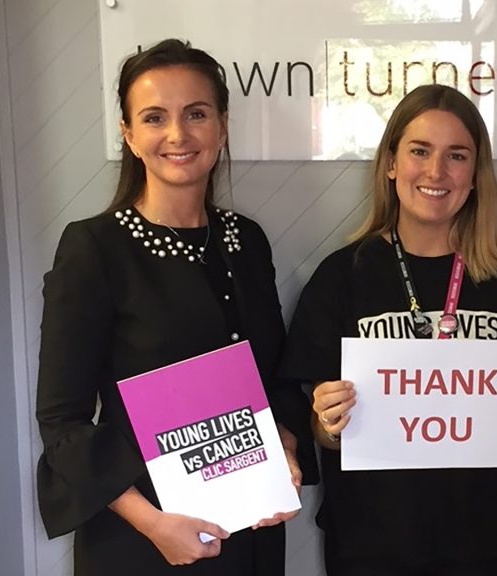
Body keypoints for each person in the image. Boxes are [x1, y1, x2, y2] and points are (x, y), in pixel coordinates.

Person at [35, 39, 315, 576]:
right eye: (154, 117)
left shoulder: (246, 240)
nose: (178, 134)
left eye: (196, 114)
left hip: (250, 528)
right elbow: (62, 421)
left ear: (222, 126)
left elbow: (272, 381)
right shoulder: (95, 247)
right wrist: (153, 524)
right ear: (129, 134)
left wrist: (286, 451)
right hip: (142, 537)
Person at [278, 83, 497, 576]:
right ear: (391, 163)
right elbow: (323, 433)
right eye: (419, 151)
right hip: (370, 538)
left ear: (475, 175)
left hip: (481, 537)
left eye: (456, 155)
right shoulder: (343, 275)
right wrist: (328, 422)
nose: (436, 172)